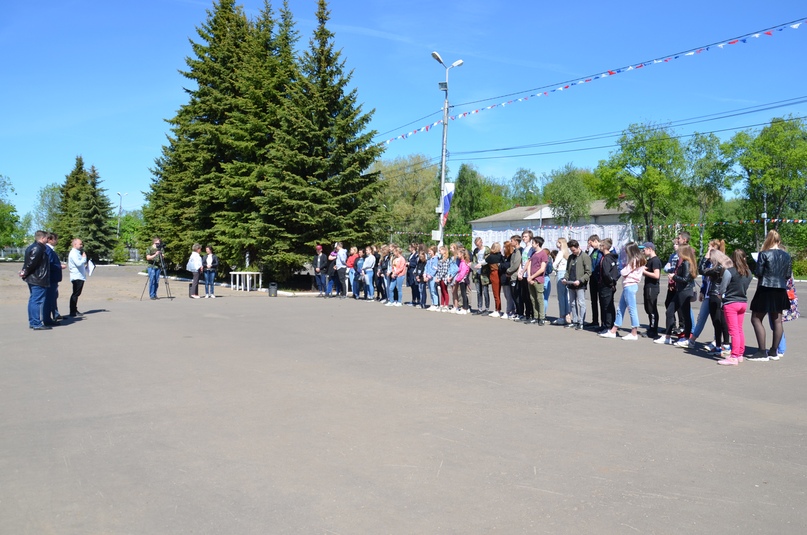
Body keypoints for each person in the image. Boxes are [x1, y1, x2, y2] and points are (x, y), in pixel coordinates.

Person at [748, 230, 792, 362]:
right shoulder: (786, 256)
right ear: (779, 241)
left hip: (765, 288)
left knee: (756, 318)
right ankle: (774, 351)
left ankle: (762, 351)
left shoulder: (764, 254)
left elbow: (759, 272)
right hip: (780, 289)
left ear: (768, 240)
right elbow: (788, 274)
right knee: (777, 320)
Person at [654, 244, 697, 346]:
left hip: (685, 291)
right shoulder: (682, 262)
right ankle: (668, 337)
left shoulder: (687, 263)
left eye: (679, 252)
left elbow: (686, 279)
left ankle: (687, 338)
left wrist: (674, 277)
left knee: (686, 315)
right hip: (680, 290)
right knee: (670, 311)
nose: (677, 253)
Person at [602, 242, 646, 340]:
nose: (626, 252)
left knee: (632, 309)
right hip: (628, 286)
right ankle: (613, 330)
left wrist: (622, 267)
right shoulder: (636, 260)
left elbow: (624, 272)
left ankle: (634, 333)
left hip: (630, 286)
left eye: (627, 251)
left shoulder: (635, 260)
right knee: (620, 309)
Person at [717, 249, 753, 366]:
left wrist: (720, 294)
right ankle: (740, 354)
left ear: (733, 258)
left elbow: (723, 287)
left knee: (733, 331)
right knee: (739, 329)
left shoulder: (729, 272)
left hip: (731, 303)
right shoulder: (748, 273)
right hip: (743, 302)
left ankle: (733, 356)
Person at [701, 249, 733, 356]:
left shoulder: (716, 268)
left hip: (715, 295)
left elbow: (701, 270)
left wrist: (704, 259)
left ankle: (719, 346)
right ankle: (726, 344)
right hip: (723, 295)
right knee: (723, 321)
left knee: (716, 321)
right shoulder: (726, 268)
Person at [20, 230, 51, 330]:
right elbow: (31, 263)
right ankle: (36, 323)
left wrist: (25, 272)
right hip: (38, 278)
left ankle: (33, 321)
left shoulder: (33, 247)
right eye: (46, 238)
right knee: (36, 300)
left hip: (34, 278)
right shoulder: (37, 248)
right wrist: (25, 272)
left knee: (33, 300)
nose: (48, 240)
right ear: (42, 238)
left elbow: (29, 263)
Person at [565, 239, 591, 331]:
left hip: (580, 284)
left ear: (578, 247)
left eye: (574, 250)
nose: (573, 252)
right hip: (571, 283)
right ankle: (575, 321)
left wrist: (580, 280)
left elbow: (588, 273)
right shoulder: (570, 257)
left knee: (581, 303)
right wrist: (565, 278)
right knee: (572, 303)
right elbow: (567, 270)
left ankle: (581, 322)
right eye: (571, 250)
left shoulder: (585, 257)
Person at [597, 238, 619, 335]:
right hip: (609, 285)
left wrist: (611, 282)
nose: (599, 247)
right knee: (608, 305)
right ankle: (607, 325)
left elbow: (606, 273)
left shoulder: (607, 258)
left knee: (607, 306)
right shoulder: (610, 257)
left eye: (601, 245)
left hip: (606, 285)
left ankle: (608, 326)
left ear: (605, 247)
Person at [526, 236, 548, 325]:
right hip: (531, 279)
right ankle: (535, 316)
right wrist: (529, 276)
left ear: (537, 244)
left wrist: (532, 277)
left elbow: (542, 269)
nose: (532, 244)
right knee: (533, 299)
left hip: (538, 280)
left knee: (540, 299)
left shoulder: (543, 254)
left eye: (533, 243)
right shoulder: (533, 254)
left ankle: (541, 317)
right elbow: (529, 264)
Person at [642, 242, 662, 339]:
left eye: (644, 249)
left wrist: (644, 271)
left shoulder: (655, 261)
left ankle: (654, 330)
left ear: (650, 249)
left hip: (652, 288)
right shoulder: (650, 260)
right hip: (648, 286)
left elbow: (656, 275)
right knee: (648, 308)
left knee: (652, 309)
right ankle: (651, 327)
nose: (643, 251)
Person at [44, 232, 64, 325]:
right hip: (51, 278)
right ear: (50, 240)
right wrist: (59, 266)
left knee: (53, 297)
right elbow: (50, 264)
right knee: (49, 298)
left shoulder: (50, 250)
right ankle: (47, 319)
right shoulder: (48, 250)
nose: (57, 241)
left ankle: (54, 315)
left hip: (53, 278)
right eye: (55, 239)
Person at [553, 238, 571, 325]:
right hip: (566, 273)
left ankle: (562, 316)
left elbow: (555, 264)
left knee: (561, 296)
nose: (557, 244)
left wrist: (554, 268)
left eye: (558, 242)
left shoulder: (560, 252)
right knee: (566, 295)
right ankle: (568, 314)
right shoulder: (567, 253)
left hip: (560, 273)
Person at [68, 238, 87, 317]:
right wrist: (84, 258)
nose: (81, 245)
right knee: (75, 294)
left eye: (81, 244)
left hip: (80, 276)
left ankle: (74, 310)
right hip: (76, 277)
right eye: (80, 244)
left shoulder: (77, 253)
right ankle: (73, 311)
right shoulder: (73, 253)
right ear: (75, 244)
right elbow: (78, 263)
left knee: (77, 294)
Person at [485, 242, 504, 318]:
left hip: (494, 274)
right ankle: (498, 308)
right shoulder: (501, 256)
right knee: (499, 293)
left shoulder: (490, 257)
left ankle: (497, 309)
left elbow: (484, 262)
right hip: (500, 274)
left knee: (496, 293)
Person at [587, 235, 603, 330]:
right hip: (592, 278)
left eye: (591, 243)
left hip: (598, 278)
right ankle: (595, 320)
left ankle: (603, 322)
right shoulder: (593, 251)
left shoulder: (601, 250)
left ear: (596, 241)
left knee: (601, 301)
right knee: (593, 300)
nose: (590, 245)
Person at [472, 237, 490, 315]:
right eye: (476, 245)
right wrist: (473, 266)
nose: (477, 246)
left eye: (478, 244)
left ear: (481, 242)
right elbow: (474, 260)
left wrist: (481, 264)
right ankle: (479, 308)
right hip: (477, 273)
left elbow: (488, 260)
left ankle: (487, 308)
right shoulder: (476, 251)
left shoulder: (486, 250)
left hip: (484, 273)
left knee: (485, 292)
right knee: (479, 292)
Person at [506, 236, 523, 320]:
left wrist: (508, 271)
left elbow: (516, 264)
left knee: (517, 295)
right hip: (512, 276)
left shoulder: (518, 251)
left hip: (515, 276)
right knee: (513, 295)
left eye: (512, 241)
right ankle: (517, 312)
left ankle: (520, 313)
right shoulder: (514, 251)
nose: (511, 242)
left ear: (516, 242)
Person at [434, 245, 451, 312]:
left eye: (440, 250)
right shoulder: (440, 259)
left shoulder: (446, 259)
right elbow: (439, 269)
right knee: (442, 291)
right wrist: (437, 277)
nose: (439, 251)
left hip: (444, 278)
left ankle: (446, 305)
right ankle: (442, 304)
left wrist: (440, 278)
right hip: (440, 278)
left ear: (444, 251)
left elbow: (445, 270)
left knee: (445, 291)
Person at [455, 249, 472, 314]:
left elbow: (462, 273)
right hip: (463, 280)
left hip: (463, 280)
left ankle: (464, 308)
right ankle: (466, 307)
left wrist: (457, 279)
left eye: (458, 254)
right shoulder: (463, 262)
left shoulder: (463, 263)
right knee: (464, 293)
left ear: (462, 254)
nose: (457, 255)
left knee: (463, 294)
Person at [424, 246, 439, 310]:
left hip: (433, 277)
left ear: (434, 251)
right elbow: (426, 267)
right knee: (430, 290)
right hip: (428, 277)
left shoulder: (436, 259)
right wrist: (425, 275)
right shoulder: (429, 260)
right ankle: (432, 303)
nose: (429, 252)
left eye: (430, 251)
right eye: (429, 251)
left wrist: (429, 276)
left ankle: (436, 304)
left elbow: (434, 269)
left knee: (433, 290)